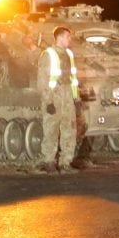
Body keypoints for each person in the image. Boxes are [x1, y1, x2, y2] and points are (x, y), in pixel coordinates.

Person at [38, 26, 80, 172]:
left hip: (68, 95)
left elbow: (73, 78)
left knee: (69, 129)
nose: (70, 39)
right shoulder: (48, 54)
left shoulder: (69, 54)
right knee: (51, 129)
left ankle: (65, 162)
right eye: (68, 37)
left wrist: (76, 98)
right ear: (60, 37)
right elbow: (43, 80)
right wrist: (48, 100)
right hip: (54, 95)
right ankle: (49, 161)